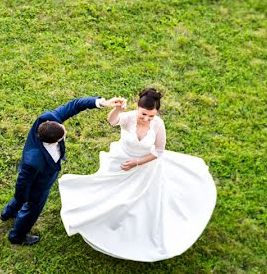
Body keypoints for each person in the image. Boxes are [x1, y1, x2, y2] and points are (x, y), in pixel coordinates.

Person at [58, 88, 216, 261]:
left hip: (146, 166)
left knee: (143, 203)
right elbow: (112, 121)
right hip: (122, 161)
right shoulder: (129, 118)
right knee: (111, 195)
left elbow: (159, 151)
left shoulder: (158, 125)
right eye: (144, 114)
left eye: (151, 116)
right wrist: (117, 108)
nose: (147, 119)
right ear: (138, 108)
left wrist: (137, 163)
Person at [1, 95, 125, 245]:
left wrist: (103, 103)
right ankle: (17, 236)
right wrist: (23, 198)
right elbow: (22, 183)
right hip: (40, 183)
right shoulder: (33, 161)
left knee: (20, 199)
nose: (65, 129)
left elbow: (75, 105)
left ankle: (8, 212)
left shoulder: (48, 119)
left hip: (41, 173)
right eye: (64, 132)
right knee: (32, 207)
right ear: (56, 141)